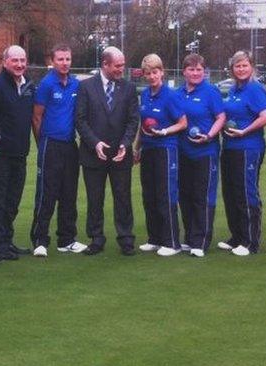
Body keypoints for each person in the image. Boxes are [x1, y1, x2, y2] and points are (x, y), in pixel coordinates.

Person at [75, 46, 139, 256]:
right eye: (117, 65)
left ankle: (126, 239)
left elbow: (132, 120)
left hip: (121, 154)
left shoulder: (129, 88)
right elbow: (80, 120)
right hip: (94, 154)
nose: (122, 69)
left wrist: (125, 143)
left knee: (123, 198)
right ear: (105, 64)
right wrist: (95, 143)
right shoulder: (85, 87)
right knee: (95, 198)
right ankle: (96, 238)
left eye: (122, 65)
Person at [30, 44, 87, 257]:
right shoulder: (46, 84)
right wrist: (42, 143)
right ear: (52, 61)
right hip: (50, 144)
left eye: (68, 59)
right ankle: (39, 240)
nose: (65, 63)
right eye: (61, 59)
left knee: (69, 193)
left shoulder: (74, 84)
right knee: (47, 193)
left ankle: (67, 239)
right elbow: (37, 117)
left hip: (70, 145)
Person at [219, 51, 266, 256]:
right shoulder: (233, 90)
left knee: (246, 192)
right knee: (231, 193)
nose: (241, 69)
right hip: (230, 148)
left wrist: (245, 130)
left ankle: (250, 241)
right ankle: (237, 237)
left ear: (251, 67)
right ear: (232, 69)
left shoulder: (255, 89)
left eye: (244, 66)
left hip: (249, 148)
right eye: (237, 66)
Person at [135, 53, 188, 257]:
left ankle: (172, 242)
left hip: (166, 148)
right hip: (148, 149)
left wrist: (165, 131)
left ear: (162, 72)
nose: (151, 76)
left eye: (155, 72)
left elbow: (183, 123)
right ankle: (154, 238)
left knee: (165, 194)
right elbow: (143, 125)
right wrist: (137, 148)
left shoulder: (171, 95)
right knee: (149, 195)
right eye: (148, 73)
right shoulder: (145, 94)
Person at [0, 45, 35, 261]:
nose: (19, 65)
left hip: (20, 152)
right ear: (5, 62)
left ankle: (7, 240)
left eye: (22, 60)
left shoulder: (28, 85)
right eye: (15, 60)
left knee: (13, 201)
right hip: (1, 154)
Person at [177, 54, 225, 257]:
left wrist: (210, 135)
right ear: (184, 72)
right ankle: (189, 237)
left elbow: (221, 117)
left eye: (199, 70)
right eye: (191, 69)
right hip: (182, 151)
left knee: (202, 196)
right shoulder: (178, 93)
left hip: (205, 152)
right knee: (185, 195)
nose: (195, 73)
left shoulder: (211, 91)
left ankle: (201, 240)